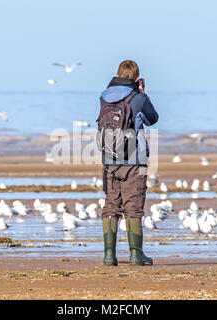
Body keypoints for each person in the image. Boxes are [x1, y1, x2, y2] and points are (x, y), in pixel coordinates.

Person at [98, 60, 159, 266]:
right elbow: (153, 118)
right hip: (134, 160)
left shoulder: (104, 97)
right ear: (136, 78)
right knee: (133, 206)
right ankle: (136, 254)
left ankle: (109, 255)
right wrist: (141, 92)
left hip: (109, 160)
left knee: (111, 206)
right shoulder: (138, 98)